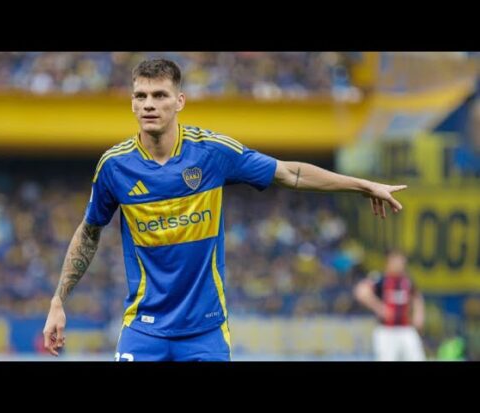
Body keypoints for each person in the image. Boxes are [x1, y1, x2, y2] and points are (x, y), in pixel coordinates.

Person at [43, 58, 407, 361]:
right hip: (143, 329)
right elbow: (89, 231)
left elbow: (289, 173)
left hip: (205, 333)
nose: (149, 104)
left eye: (159, 95)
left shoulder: (212, 153)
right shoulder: (115, 166)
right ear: (132, 103)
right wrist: (59, 300)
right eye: (141, 96)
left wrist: (362, 186)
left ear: (179, 101)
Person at [354, 250, 426, 361]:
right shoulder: (380, 279)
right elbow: (361, 291)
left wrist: (419, 314)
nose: (400, 264)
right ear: (389, 262)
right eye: (397, 261)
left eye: (402, 261)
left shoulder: (407, 281)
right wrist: (379, 307)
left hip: (406, 329)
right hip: (386, 331)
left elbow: (417, 296)